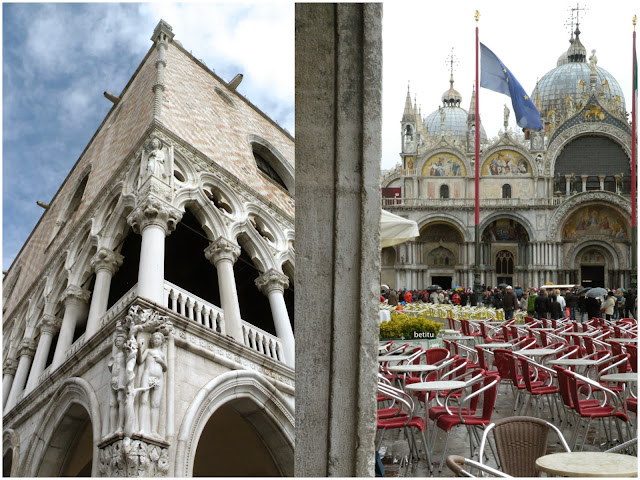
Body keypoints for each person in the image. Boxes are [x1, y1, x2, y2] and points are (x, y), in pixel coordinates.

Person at [137, 332, 167, 437]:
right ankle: (141, 428)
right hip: (147, 375)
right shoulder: (148, 351)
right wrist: (140, 348)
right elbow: (140, 360)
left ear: (161, 341)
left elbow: (165, 367)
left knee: (155, 404)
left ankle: (154, 431)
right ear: (151, 340)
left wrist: (160, 361)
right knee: (144, 401)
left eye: (158, 339)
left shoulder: (162, 354)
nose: (156, 340)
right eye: (154, 338)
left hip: (159, 378)